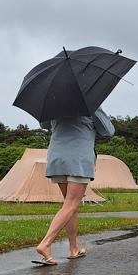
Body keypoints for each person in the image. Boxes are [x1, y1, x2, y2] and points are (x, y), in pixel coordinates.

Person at [34, 107, 115, 265]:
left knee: (70, 205)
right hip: (78, 158)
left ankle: (73, 249)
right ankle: (45, 244)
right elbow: (108, 130)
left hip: (56, 157)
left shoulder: (55, 102)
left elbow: (44, 125)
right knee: (71, 204)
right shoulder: (90, 104)